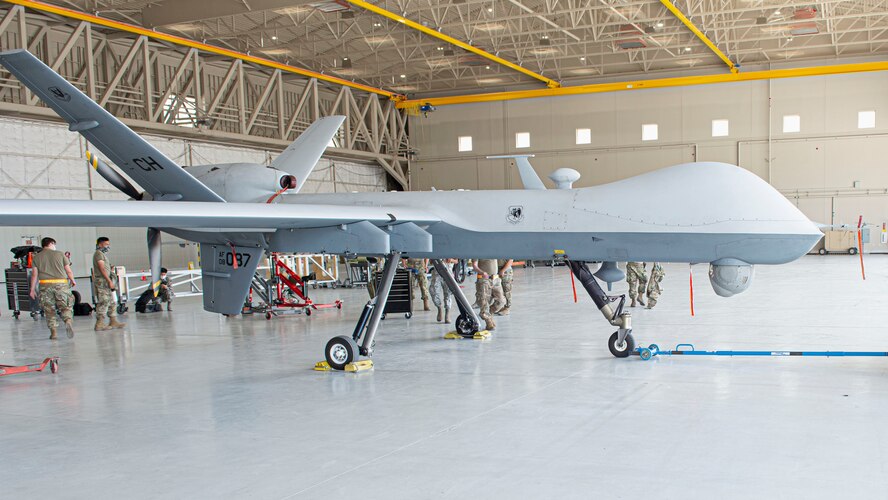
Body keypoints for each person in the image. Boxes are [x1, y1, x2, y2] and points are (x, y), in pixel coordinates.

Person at [29, 237, 76, 340]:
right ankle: (67, 321)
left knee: (49, 310)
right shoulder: (60, 254)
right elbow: (68, 270)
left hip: (45, 286)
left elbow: (34, 275)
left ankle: (53, 332)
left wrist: (32, 290)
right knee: (66, 306)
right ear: (51, 243)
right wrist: (72, 280)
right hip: (61, 284)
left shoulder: (37, 257)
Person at [92, 236, 126, 331]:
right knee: (104, 301)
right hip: (103, 281)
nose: (108, 246)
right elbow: (101, 268)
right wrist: (109, 280)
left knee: (111, 301)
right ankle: (100, 323)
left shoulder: (102, 254)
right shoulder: (98, 254)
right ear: (100, 244)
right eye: (106, 244)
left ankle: (113, 320)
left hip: (106, 281)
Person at [472, 258, 505, 331]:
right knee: (484, 302)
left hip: (495, 279)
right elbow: (474, 265)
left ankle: (489, 314)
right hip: (484, 279)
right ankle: (488, 321)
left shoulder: (493, 250)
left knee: (501, 301)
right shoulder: (477, 250)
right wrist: (482, 272)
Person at [430, 258, 456, 323]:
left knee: (448, 293)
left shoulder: (452, 248)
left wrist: (451, 260)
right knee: (433, 290)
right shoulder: (436, 248)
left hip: (448, 271)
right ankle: (439, 308)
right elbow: (431, 261)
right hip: (437, 272)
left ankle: (447, 313)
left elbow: (457, 261)